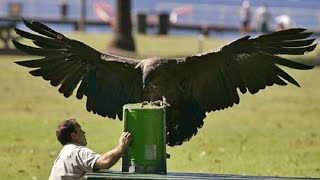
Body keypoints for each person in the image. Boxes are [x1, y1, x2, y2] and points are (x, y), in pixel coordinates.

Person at [49, 119, 132, 180]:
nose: (83, 132)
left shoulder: (65, 152)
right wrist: (122, 146)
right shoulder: (77, 151)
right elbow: (105, 162)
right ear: (74, 135)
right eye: (80, 130)